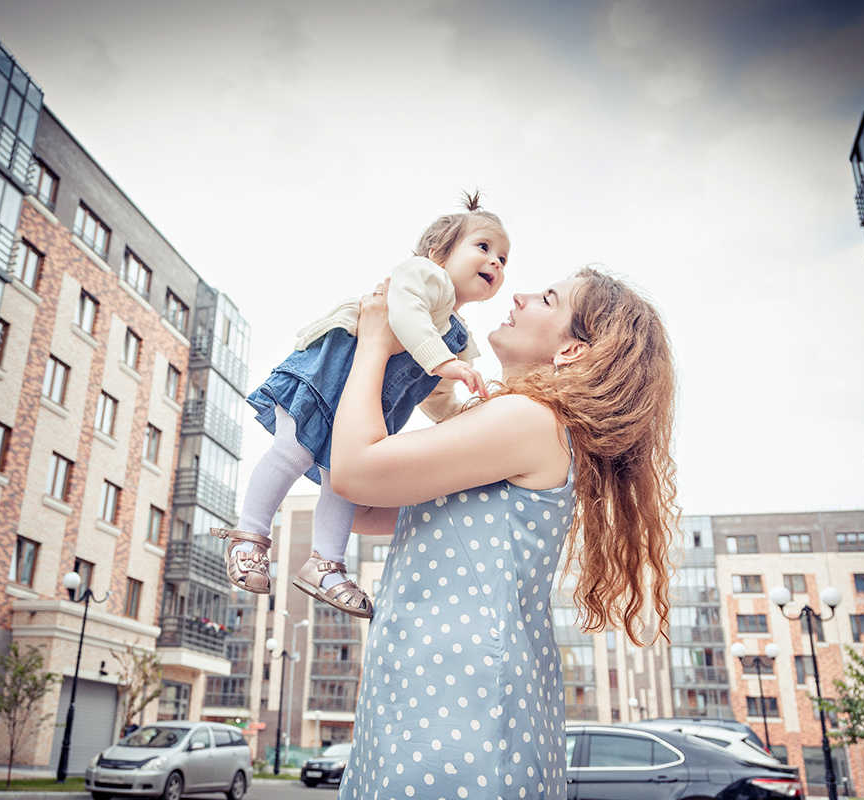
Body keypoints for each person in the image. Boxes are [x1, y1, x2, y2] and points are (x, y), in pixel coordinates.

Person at [329, 268, 678, 799]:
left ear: (572, 351)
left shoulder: (530, 418)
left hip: (455, 694)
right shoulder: (523, 421)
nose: (519, 294)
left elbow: (355, 472)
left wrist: (375, 344)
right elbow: (365, 505)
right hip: (434, 683)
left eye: (547, 298)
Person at [211, 194, 510, 619]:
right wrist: (444, 361)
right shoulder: (423, 277)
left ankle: (326, 564)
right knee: (292, 451)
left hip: (362, 410)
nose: (496, 262)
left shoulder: (459, 336)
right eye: (483, 248)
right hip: (325, 380)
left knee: (345, 482)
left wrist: (462, 414)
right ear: (439, 252)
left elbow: (438, 394)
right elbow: (406, 314)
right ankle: (249, 536)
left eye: (503, 258)